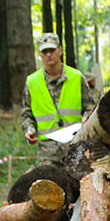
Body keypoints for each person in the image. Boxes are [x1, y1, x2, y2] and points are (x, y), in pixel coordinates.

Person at [19, 33, 98, 167]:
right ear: (40, 54)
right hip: (47, 154)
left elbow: (91, 107)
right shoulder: (32, 82)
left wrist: (86, 119)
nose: (49, 54)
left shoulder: (76, 77)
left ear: (60, 50)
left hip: (76, 148)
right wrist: (29, 130)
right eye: (45, 51)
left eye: (52, 50)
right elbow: (26, 114)